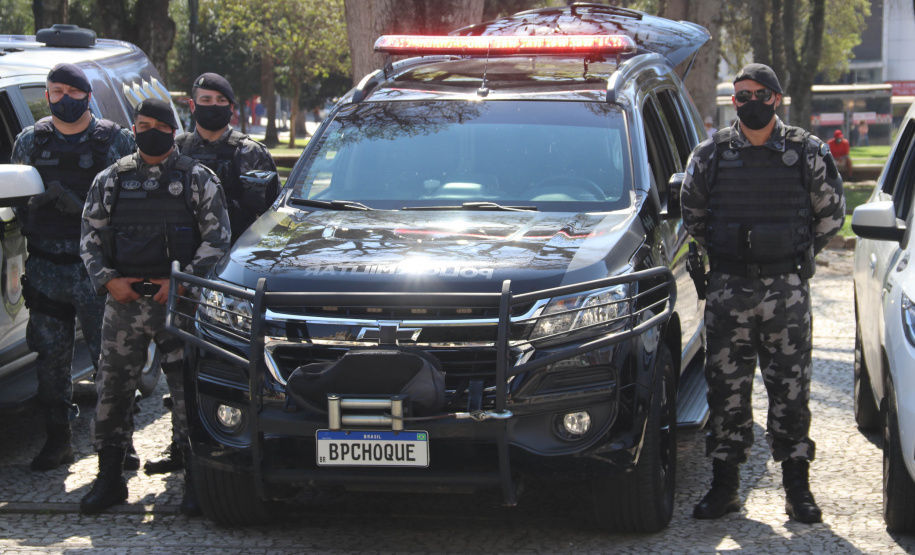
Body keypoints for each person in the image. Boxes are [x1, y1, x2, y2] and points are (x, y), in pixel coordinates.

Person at [680, 63, 845, 524]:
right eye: (740, 96)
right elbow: (691, 211)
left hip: (785, 290)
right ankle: (725, 486)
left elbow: (832, 213)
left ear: (775, 98)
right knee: (725, 391)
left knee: (791, 389)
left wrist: (794, 252)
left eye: (757, 94)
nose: (748, 102)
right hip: (729, 287)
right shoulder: (711, 153)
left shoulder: (805, 151)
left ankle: (797, 487)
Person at [78, 98, 231, 515]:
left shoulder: (198, 179)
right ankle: (109, 476)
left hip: (177, 305)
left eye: (152, 124)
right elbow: (90, 235)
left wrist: (179, 284)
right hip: (125, 304)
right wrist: (109, 280)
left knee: (187, 391)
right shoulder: (111, 179)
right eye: (139, 124)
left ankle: (195, 480)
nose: (144, 130)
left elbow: (217, 241)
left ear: (168, 128)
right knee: (112, 389)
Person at [140, 72, 276, 477]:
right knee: (179, 366)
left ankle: (227, 447)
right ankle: (181, 447)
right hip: (185, 274)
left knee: (223, 366)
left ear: (231, 107)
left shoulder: (250, 153)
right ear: (191, 104)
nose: (210, 105)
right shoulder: (175, 148)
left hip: (231, 278)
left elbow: (270, 219)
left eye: (218, 99)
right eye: (203, 98)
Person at [10, 63, 136, 472]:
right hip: (46, 269)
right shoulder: (29, 142)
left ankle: (120, 444)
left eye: (71, 91)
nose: (63, 98)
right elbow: (15, 201)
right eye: (54, 90)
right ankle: (58, 439)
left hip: (97, 272)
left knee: (111, 361)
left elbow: (134, 201)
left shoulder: (115, 141)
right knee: (50, 359)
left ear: (86, 95)